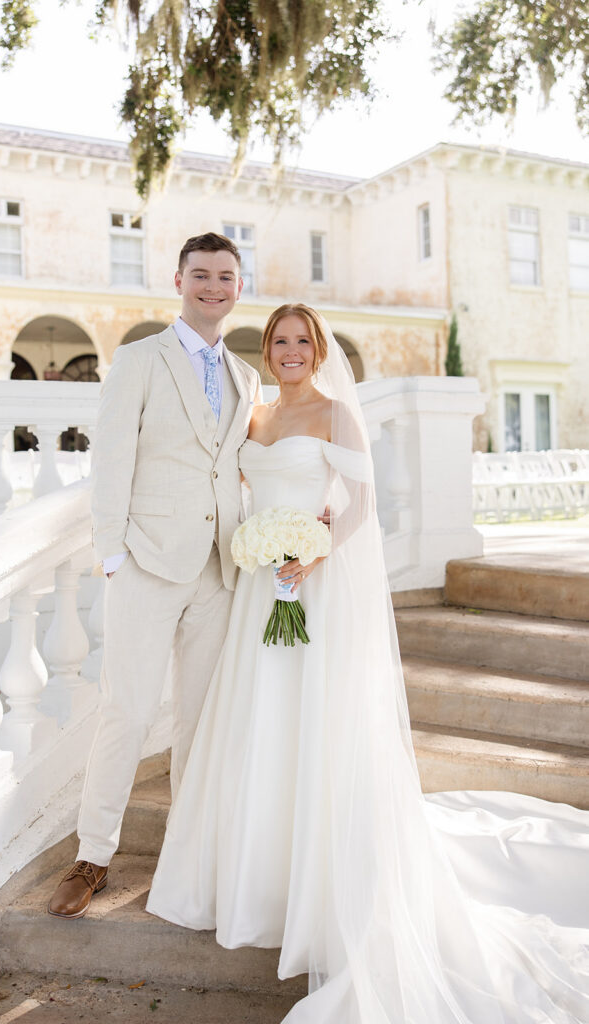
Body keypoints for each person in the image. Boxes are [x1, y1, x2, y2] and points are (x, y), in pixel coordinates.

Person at [147, 303, 589, 1022]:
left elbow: (359, 504)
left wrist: (312, 557)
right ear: (268, 350)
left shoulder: (333, 413)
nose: (290, 351)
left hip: (307, 591)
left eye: (302, 342)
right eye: (279, 341)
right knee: (257, 727)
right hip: (260, 590)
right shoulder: (252, 416)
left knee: (312, 725)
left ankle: (318, 884)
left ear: (318, 350)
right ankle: (253, 880)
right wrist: (262, 553)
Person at [48, 232, 262, 919]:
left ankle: (191, 850)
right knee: (127, 711)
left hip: (219, 569)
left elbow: (234, 468)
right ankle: (92, 855)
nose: (212, 286)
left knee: (202, 719)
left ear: (237, 286)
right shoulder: (139, 360)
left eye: (224, 276)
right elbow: (110, 459)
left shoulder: (245, 377)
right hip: (144, 561)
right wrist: (112, 555)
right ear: (178, 281)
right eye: (200, 275)